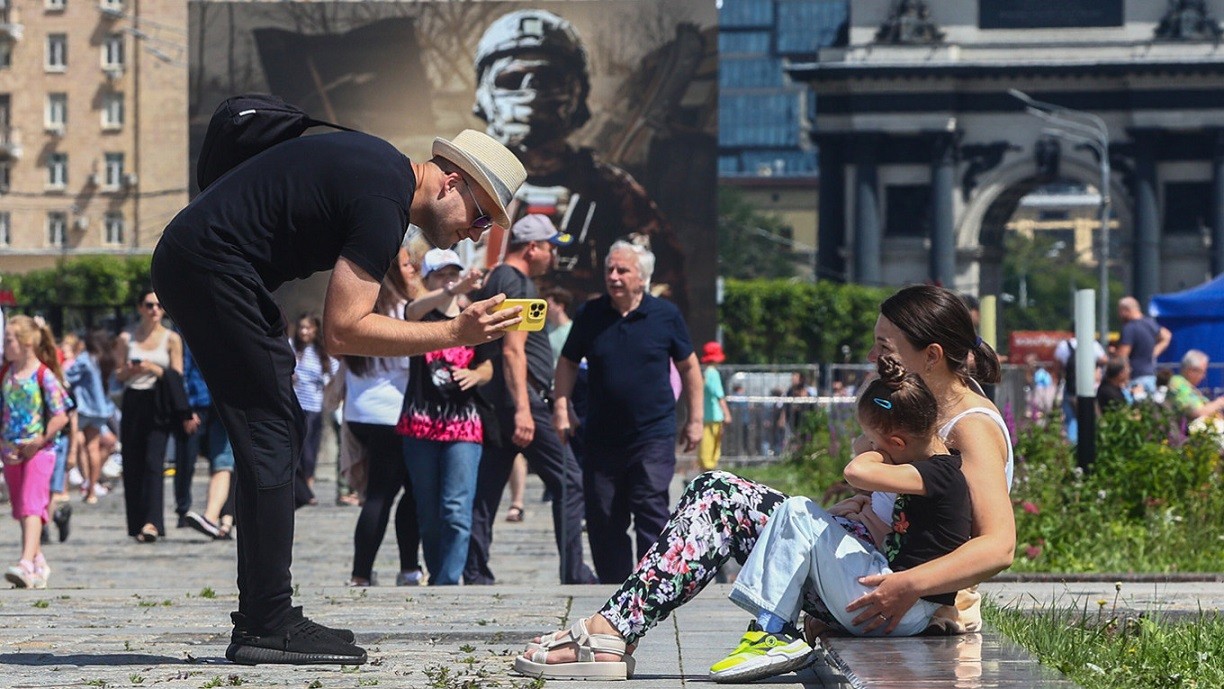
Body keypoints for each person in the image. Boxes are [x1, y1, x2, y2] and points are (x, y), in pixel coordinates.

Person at [151, 127, 527, 665]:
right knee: (273, 430)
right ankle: (266, 622)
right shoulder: (383, 202)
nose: (474, 234)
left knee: (276, 428)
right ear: (451, 182)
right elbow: (344, 331)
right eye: (481, 216)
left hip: (207, 265)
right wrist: (453, 334)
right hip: (209, 266)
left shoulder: (381, 175)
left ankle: (266, 613)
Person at [515, 284, 1015, 681]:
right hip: (875, 571)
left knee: (720, 499)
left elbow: (997, 545)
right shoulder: (925, 408)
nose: (871, 354)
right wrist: (860, 513)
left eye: (885, 346)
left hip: (897, 597)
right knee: (716, 493)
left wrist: (903, 585)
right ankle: (617, 630)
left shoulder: (969, 426)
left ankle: (618, 632)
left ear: (930, 354)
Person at [707, 354, 971, 683]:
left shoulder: (940, 473)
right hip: (899, 603)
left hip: (905, 610)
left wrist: (878, 450)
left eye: (874, 442)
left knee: (797, 509)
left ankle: (772, 630)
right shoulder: (934, 467)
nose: (866, 447)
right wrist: (879, 442)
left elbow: (856, 470)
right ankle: (772, 627)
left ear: (898, 443)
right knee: (805, 520)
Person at [472, 9, 688, 311]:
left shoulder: (612, 192)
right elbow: (409, 275)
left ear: (577, 92)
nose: (531, 93)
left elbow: (665, 285)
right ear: (484, 94)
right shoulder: (463, 186)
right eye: (512, 79)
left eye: (548, 79)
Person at [553, 240, 703, 584]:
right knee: (604, 516)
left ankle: (651, 586)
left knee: (650, 505)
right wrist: (562, 407)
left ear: (642, 278)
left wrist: (695, 420)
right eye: (610, 270)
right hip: (601, 435)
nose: (614, 276)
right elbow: (568, 362)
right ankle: (615, 589)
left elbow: (690, 368)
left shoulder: (665, 315)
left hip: (652, 433)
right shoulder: (591, 314)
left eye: (623, 270)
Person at [465, 214, 595, 586]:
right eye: (551, 247)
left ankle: (474, 571)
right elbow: (512, 351)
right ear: (533, 247)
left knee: (488, 489)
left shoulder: (499, 278)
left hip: (499, 400)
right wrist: (524, 408)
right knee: (569, 481)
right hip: (519, 401)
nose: (554, 255)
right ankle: (574, 572)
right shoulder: (516, 282)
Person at [400, 248, 494, 586]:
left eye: (453, 273)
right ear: (426, 281)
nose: (449, 279)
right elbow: (411, 310)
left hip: (463, 425)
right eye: (440, 274)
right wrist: (453, 290)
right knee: (429, 513)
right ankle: (439, 572)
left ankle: (447, 581)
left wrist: (477, 376)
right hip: (420, 423)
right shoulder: (420, 316)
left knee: (456, 509)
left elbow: (487, 363)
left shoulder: (473, 316)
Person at [346, 248, 422, 588]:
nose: (414, 269)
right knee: (403, 493)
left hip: (361, 411)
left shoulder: (359, 305)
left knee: (380, 492)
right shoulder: (403, 311)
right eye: (407, 264)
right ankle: (407, 569)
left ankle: (362, 572)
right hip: (393, 413)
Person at [1, 316, 70, 588]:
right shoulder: (5, 373)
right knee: (21, 508)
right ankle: (38, 560)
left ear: (27, 343)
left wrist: (40, 440)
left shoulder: (43, 375)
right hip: (10, 452)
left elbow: (61, 415)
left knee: (31, 505)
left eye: (9, 339)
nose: (5, 344)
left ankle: (25, 563)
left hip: (40, 452)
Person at [114, 291, 184, 543]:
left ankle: (153, 522)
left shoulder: (172, 338)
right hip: (133, 399)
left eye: (158, 305)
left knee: (154, 463)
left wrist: (153, 368)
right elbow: (118, 373)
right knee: (132, 462)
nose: (154, 309)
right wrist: (131, 370)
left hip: (158, 402)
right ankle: (136, 524)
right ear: (140, 308)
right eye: (149, 305)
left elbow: (176, 375)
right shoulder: (126, 337)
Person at [176, 343, 237, 540]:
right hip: (204, 403)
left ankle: (215, 518)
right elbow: (184, 371)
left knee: (224, 461)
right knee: (198, 460)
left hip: (227, 403)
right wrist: (186, 407)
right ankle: (216, 520)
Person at [64, 330, 118, 505]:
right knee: (93, 448)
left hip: (84, 408)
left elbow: (68, 376)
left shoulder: (86, 358)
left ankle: (80, 483)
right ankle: (92, 489)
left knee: (75, 441)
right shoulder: (106, 360)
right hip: (101, 409)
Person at [290, 314, 337, 507]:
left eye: (308, 328)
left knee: (309, 450)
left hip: (314, 406)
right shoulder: (293, 347)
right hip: (295, 404)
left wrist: (330, 392)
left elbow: (335, 372)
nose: (304, 332)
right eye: (301, 327)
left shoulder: (322, 352)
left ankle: (308, 486)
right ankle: (301, 490)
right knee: (296, 449)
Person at [1052, 334, 1107, 444]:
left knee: (1071, 420)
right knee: (1089, 419)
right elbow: (1104, 360)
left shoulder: (1064, 346)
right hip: (1089, 390)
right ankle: (1090, 444)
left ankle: (1072, 448)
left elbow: (1057, 367)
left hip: (1070, 390)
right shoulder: (1093, 345)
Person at [1116, 296, 1171, 398]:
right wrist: (1153, 352)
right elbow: (1167, 336)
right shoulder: (1150, 323)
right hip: (1150, 376)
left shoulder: (1129, 328)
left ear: (1126, 310)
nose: (1119, 315)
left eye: (1120, 312)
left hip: (1136, 378)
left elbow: (1122, 357)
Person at [698, 341, 731, 472]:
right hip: (714, 416)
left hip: (706, 415)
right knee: (712, 449)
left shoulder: (705, 373)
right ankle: (709, 474)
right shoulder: (713, 373)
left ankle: (704, 472)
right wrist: (727, 413)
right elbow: (719, 395)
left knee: (705, 446)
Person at [1166, 350, 1224, 421]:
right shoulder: (1178, 384)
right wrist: (1219, 402)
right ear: (1190, 371)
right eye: (1202, 372)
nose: (1203, 376)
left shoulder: (1188, 386)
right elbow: (1197, 412)